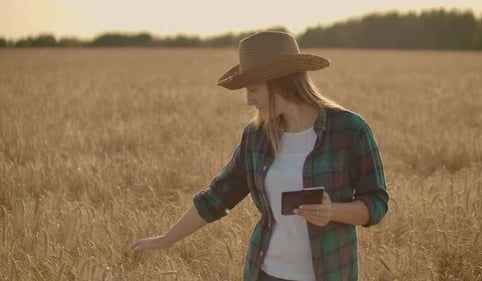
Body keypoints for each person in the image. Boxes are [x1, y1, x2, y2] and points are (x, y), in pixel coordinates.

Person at [131, 31, 388, 281]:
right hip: (266, 272)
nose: (248, 100)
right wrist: (165, 239)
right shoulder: (256, 138)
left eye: (253, 89)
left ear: (280, 82)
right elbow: (217, 197)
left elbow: (376, 203)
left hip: (330, 273)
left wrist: (332, 211)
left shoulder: (349, 130)